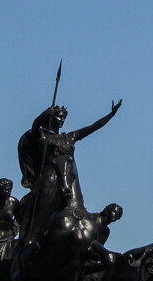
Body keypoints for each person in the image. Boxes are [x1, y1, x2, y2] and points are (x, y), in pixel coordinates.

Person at [16, 99, 122, 242]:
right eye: (58, 116)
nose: (61, 120)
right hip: (49, 180)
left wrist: (111, 115)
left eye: (64, 118)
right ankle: (30, 239)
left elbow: (92, 127)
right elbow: (35, 126)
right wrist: (44, 114)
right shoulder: (42, 136)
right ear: (50, 117)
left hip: (69, 179)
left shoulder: (69, 137)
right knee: (41, 213)